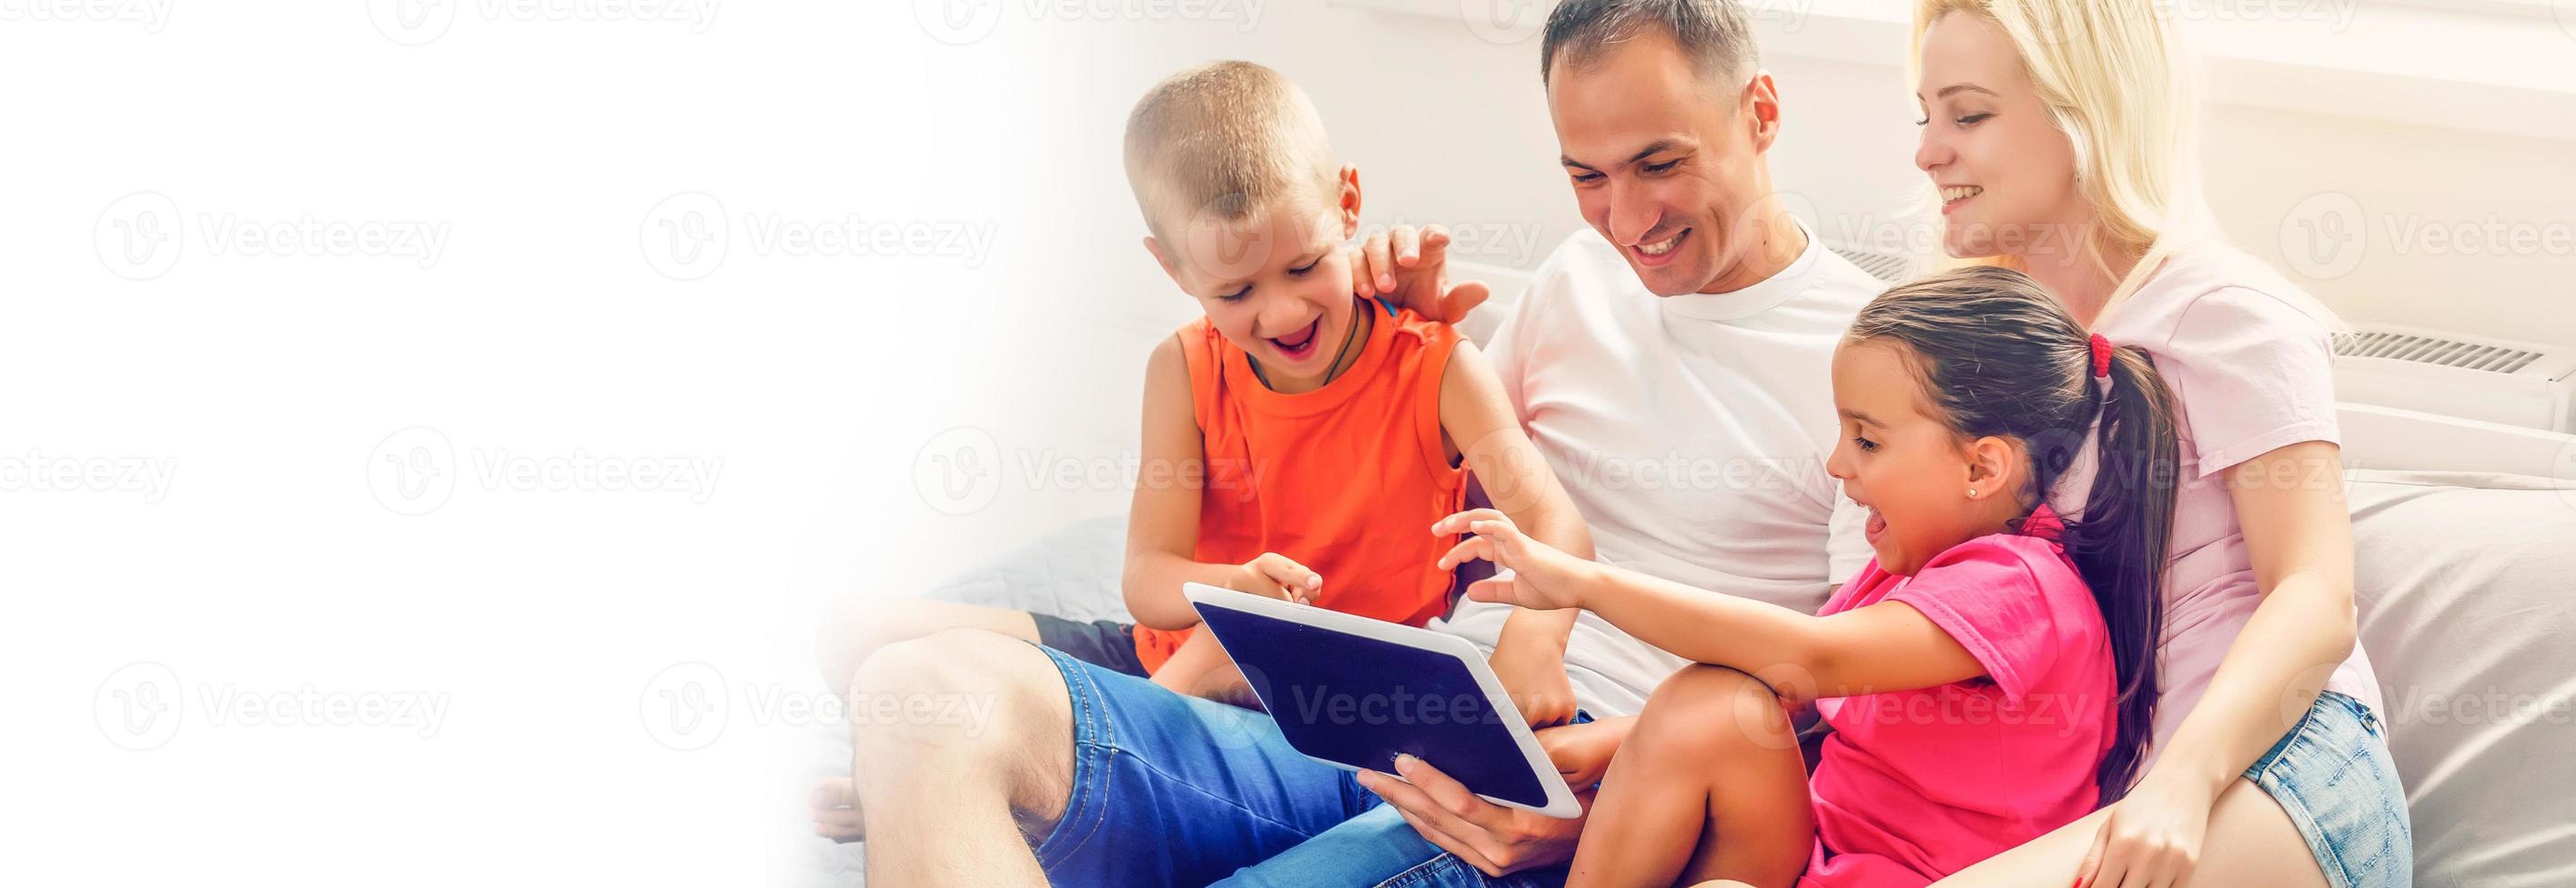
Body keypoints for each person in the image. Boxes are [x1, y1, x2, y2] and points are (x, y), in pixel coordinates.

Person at [828, 0, 1888, 879]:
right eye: (1586, 174)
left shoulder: (1873, 356)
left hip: (1559, 779)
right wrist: (1388, 303)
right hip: (1379, 706)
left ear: (1760, 112)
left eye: (1659, 162)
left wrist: (1617, 776)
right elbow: (1434, 431)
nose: (1627, 217)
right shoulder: (1575, 275)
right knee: (919, 694)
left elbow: (1855, 692)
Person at [807, 59, 1600, 883]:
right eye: (1235, 291)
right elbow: (1147, 579)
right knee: (858, 635)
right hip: (1167, 651)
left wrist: (1536, 642)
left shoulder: (1438, 370)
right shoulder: (1182, 368)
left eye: (1304, 268)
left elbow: (1556, 524)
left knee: (1203, 667)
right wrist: (1229, 588)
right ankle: (954, 783)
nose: (1283, 313)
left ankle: (990, 789)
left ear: (1348, 205)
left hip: (1326, 691)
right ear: (1172, 270)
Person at [1437, 266, 2179, 886]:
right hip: (1816, 859)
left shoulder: (2023, 589)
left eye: (1866, 439)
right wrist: (1606, 749)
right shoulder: (1912, 576)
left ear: (1982, 466)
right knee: (1712, 701)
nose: (1837, 464)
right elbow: (1798, 701)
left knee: (1719, 707)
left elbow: (1809, 656)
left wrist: (1582, 582)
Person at [1901, 3, 2412, 886]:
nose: (1927, 152)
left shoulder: (2226, 314)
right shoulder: (1976, 351)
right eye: (1925, 116)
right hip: (2115, 793)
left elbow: (2317, 594)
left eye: (1968, 114)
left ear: (2088, 111)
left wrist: (2182, 781)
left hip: (2276, 768)